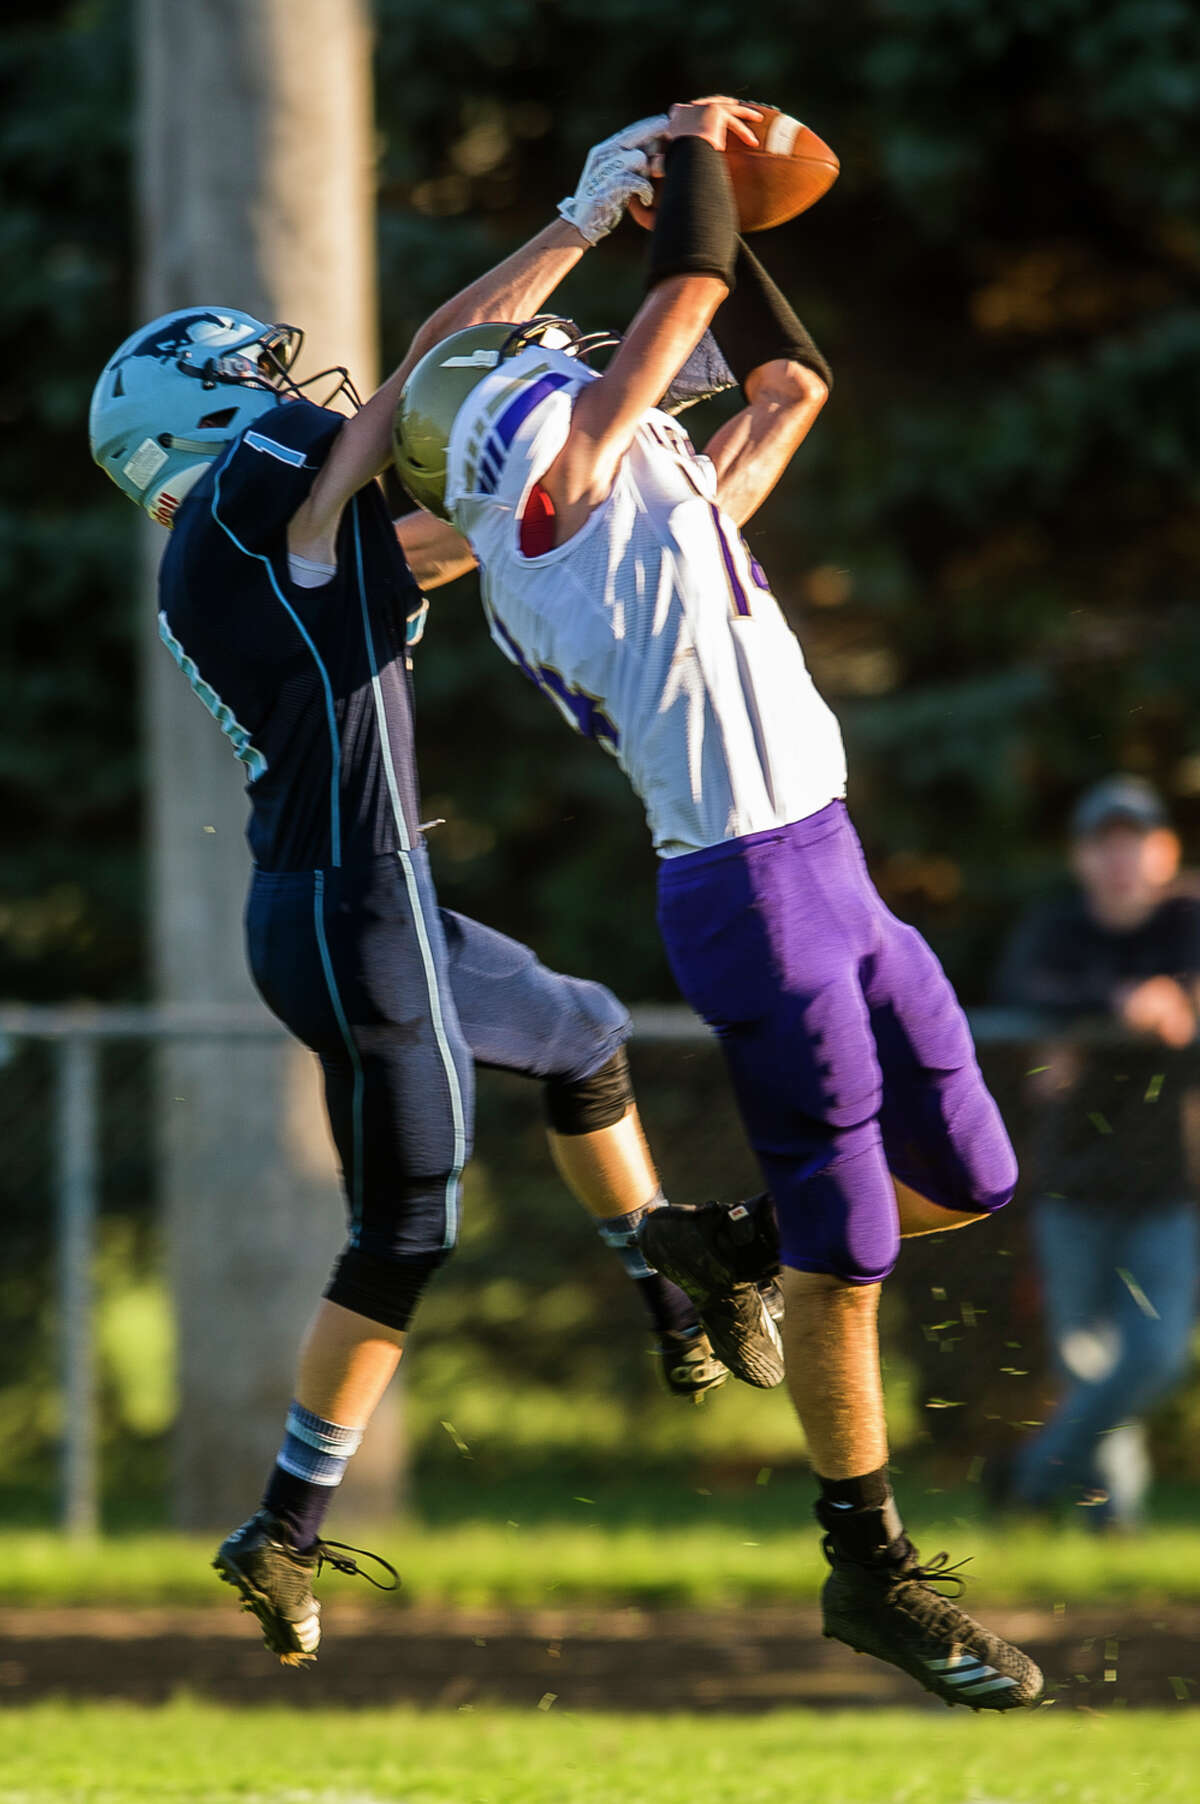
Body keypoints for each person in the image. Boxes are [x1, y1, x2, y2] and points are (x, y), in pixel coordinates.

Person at [392, 95, 1043, 1711]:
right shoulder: (554, 515)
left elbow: (784, 377)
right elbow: (680, 301)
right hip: (751, 890)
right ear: (521, 439)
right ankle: (870, 1562)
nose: (593, 377)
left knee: (972, 1168)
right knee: (858, 1240)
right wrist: (677, 164)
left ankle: (715, 1240)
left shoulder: (617, 508)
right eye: (562, 382)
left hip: (830, 864)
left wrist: (634, 218)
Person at [86, 113, 762, 1666]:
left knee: (585, 1035)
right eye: (255, 386)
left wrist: (632, 402)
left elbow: (462, 531)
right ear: (203, 427)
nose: (294, 399)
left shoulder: (261, 550)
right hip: (348, 911)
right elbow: (430, 373)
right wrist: (580, 226)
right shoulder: (251, 515)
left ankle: (665, 1286)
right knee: (408, 1225)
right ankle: (284, 1528)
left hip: (352, 902)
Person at [996, 775, 1200, 1525]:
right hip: (1073, 1185)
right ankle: (1114, 1525)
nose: (1121, 860)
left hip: (1168, 1190)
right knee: (1083, 1366)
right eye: (1104, 844)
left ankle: (1031, 1479)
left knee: (1153, 1358)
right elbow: (1029, 985)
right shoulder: (1057, 932)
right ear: (1082, 858)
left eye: (1135, 842)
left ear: (1164, 852)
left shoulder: (1187, 925)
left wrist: (1179, 999)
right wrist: (1119, 1006)